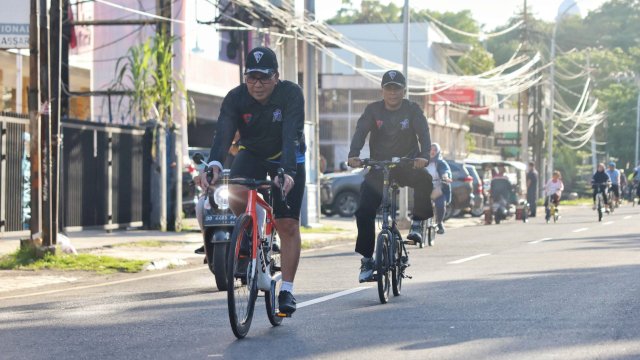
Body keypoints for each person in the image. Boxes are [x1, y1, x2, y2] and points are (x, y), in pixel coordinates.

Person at [199, 46, 305, 315]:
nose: (257, 84)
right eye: (252, 77)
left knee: (287, 223)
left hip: (287, 155)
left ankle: (288, 291)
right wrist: (213, 164)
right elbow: (223, 133)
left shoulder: (291, 94)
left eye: (264, 78)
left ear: (276, 76)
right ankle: (249, 229)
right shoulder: (235, 97)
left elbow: (291, 135)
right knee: (234, 187)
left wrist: (289, 172)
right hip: (252, 151)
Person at [347, 69, 433, 283]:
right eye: (388, 88)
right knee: (364, 209)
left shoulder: (412, 110)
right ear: (382, 90)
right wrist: (353, 155)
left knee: (425, 179)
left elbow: (424, 134)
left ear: (404, 91)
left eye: (397, 89)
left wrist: (423, 157)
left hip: (406, 164)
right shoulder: (373, 110)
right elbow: (360, 132)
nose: (392, 93)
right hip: (379, 166)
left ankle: (417, 225)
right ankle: (367, 259)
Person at [427, 143, 451, 234]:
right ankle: (417, 225)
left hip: (437, 189)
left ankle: (439, 222)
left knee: (440, 204)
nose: (432, 152)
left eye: (435, 150)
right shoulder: (424, 161)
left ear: (438, 152)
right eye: (431, 149)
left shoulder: (440, 163)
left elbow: (445, 171)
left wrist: (445, 177)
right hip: (425, 188)